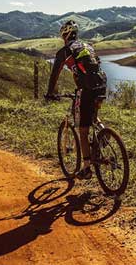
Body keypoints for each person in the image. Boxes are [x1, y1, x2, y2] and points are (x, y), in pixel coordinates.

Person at [45, 20, 107, 180]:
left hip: (86, 90)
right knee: (92, 115)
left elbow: (54, 75)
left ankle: (86, 168)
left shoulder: (65, 52)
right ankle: (104, 132)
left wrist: (50, 93)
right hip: (101, 85)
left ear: (64, 35)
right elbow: (95, 67)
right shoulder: (88, 46)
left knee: (83, 129)